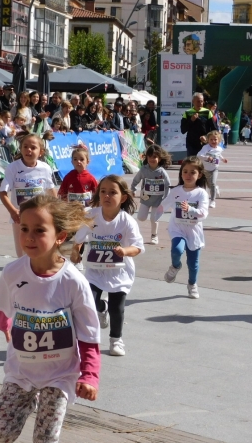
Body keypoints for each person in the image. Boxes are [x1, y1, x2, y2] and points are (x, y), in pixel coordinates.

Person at [0, 195, 100, 443]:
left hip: (59, 375)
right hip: (22, 371)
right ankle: (30, 401)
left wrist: (90, 375)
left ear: (59, 236)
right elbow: (4, 311)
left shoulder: (73, 282)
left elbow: (89, 334)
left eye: (39, 230)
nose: (29, 236)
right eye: (24, 229)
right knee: (1, 434)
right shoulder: (12, 273)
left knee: (44, 439)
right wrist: (7, 325)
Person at [71, 175, 144, 357]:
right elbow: (79, 237)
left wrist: (124, 251)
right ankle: (100, 309)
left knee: (117, 308)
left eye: (113, 192)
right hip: (95, 271)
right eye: (103, 191)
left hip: (119, 272)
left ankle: (116, 340)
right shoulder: (91, 214)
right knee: (89, 302)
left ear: (123, 198)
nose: (107, 196)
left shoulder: (127, 221)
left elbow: (138, 247)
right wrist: (75, 250)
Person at [0, 134, 56, 257]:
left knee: (40, 251)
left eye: (33, 147)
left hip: (40, 216)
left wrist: (55, 211)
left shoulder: (45, 168)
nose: (28, 150)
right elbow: (2, 193)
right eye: (25, 146)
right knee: (23, 255)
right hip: (20, 218)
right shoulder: (13, 168)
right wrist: (13, 212)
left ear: (41, 152)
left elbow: (51, 191)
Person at [161, 157, 209, 299]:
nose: (188, 175)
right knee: (177, 250)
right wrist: (154, 214)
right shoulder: (176, 190)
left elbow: (203, 214)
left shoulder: (201, 193)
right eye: (185, 171)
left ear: (199, 175)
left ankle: (192, 284)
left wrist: (190, 209)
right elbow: (164, 205)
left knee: (193, 264)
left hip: (194, 231)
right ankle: (175, 266)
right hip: (177, 228)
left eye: (192, 172)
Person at [131, 144, 172, 245]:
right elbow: (136, 180)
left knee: (154, 219)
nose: (152, 159)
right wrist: (133, 189)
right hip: (145, 198)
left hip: (158, 200)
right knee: (141, 217)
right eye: (150, 156)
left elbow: (168, 185)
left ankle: (154, 235)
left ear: (160, 158)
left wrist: (166, 199)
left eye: (154, 157)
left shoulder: (162, 172)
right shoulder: (144, 169)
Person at [197, 131, 227, 209]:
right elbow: (199, 155)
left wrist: (223, 159)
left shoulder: (220, 148)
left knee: (212, 183)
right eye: (211, 139)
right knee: (209, 185)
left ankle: (212, 201)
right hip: (205, 169)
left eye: (215, 139)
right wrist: (207, 158)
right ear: (208, 140)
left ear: (219, 140)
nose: (213, 141)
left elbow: (219, 154)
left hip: (214, 169)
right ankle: (216, 188)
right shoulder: (206, 148)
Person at [180, 93, 216, 157]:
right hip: (191, 145)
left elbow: (214, 129)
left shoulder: (207, 112)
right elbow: (183, 130)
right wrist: (191, 120)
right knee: (192, 164)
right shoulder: (187, 113)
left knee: (204, 165)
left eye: (202, 101)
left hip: (205, 144)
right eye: (198, 101)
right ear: (193, 101)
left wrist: (206, 137)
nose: (200, 103)